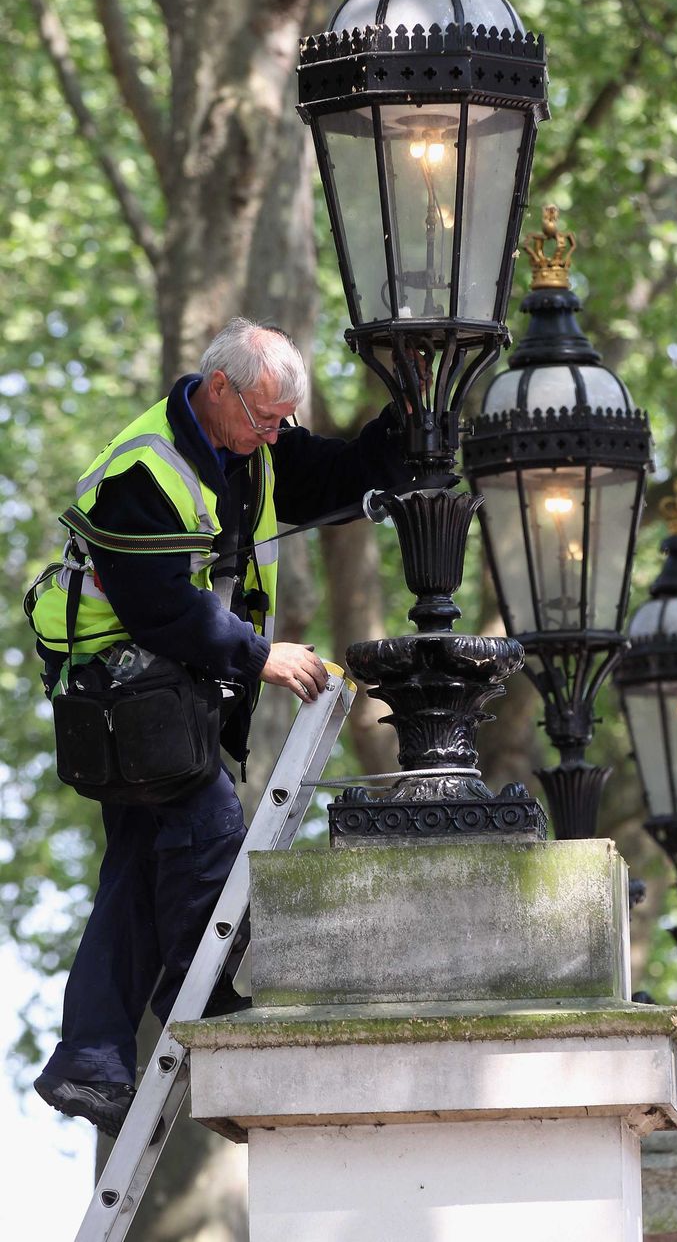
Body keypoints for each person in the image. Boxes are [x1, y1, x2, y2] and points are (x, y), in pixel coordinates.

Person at [28, 318, 407, 1136]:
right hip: (119, 696)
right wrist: (262, 656)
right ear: (220, 389)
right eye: (268, 415)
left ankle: (89, 1064)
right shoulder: (144, 470)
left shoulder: (252, 445)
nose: (279, 432)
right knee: (209, 827)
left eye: (284, 418)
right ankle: (205, 998)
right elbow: (160, 606)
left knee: (132, 873)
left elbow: (337, 476)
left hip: (160, 698)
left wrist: (405, 419)